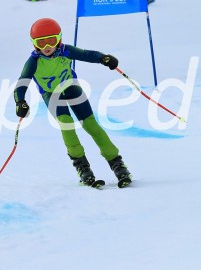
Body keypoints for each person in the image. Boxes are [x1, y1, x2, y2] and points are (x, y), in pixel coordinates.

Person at [14, 18, 132, 188]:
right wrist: (20, 102)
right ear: (34, 44)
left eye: (51, 41)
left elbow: (86, 54)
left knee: (92, 125)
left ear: (59, 39)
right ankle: (82, 167)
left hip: (71, 88)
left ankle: (117, 163)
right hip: (52, 95)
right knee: (67, 124)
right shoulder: (33, 62)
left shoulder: (65, 51)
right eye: (41, 42)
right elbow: (21, 83)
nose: (47, 47)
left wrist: (103, 58)